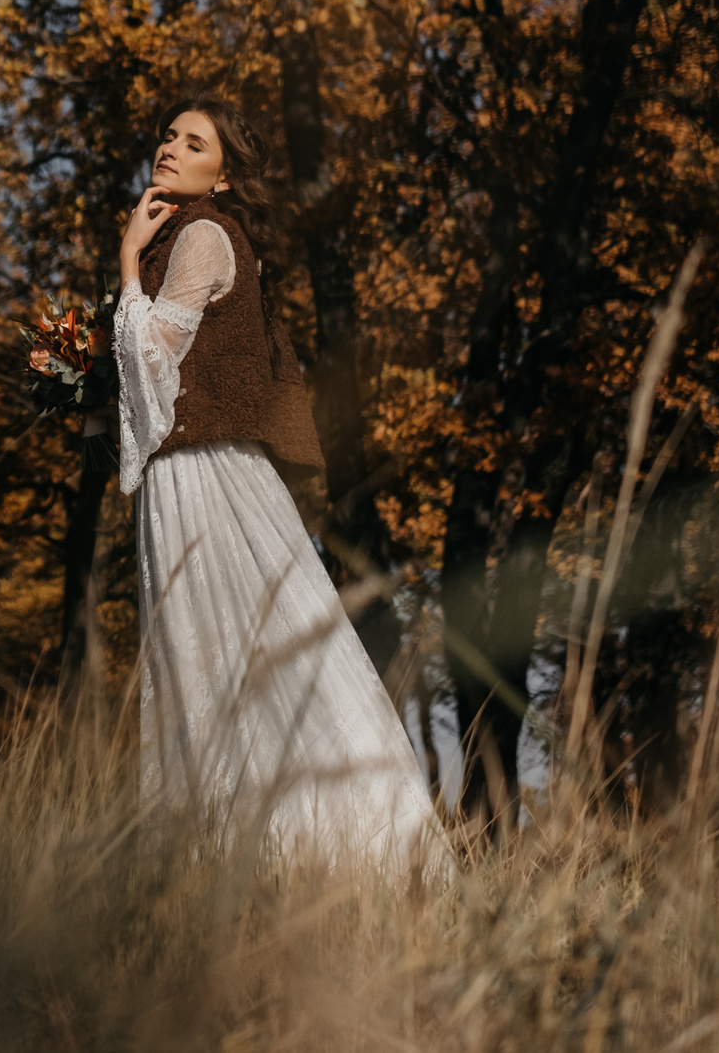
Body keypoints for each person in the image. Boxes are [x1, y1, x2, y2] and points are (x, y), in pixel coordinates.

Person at [114, 98, 440, 867]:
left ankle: (343, 845)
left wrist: (128, 258)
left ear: (221, 177)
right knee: (214, 655)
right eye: (169, 135)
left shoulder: (199, 234)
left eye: (193, 143)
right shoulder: (191, 235)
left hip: (205, 476)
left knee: (228, 649)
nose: (170, 147)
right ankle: (241, 855)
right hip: (188, 472)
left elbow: (155, 353)